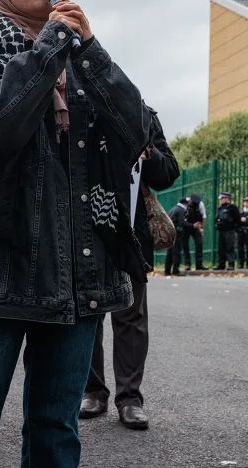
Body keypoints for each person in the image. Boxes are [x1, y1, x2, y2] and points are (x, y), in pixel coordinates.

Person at [0, 0, 151, 466]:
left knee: (56, 430)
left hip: (77, 280)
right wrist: (53, 40)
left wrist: (92, 50)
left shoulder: (85, 61)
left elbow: (137, 132)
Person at [81, 114, 178, 430]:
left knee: (131, 317)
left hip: (130, 233)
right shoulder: (79, 106)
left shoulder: (141, 114)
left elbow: (167, 174)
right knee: (88, 315)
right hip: (85, 229)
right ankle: (93, 392)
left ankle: (130, 399)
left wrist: (149, 151)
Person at [213, 191, 239, 270]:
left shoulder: (232, 207)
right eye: (220, 199)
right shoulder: (220, 208)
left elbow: (238, 219)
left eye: (222, 198)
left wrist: (234, 226)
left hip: (229, 231)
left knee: (229, 248)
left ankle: (231, 264)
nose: (220, 200)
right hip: (221, 231)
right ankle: (221, 265)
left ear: (227, 198)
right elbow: (216, 218)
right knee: (221, 248)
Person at [164, 198, 188, 276]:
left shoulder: (172, 209)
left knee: (170, 252)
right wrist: (191, 225)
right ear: (185, 204)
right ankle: (175, 270)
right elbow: (182, 223)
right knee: (176, 252)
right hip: (177, 234)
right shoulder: (181, 210)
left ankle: (167, 270)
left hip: (169, 233)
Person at [182, 193, 207, 270]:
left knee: (199, 244)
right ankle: (187, 264)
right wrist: (191, 225)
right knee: (185, 245)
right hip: (186, 226)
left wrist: (201, 227)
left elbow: (203, 217)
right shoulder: (184, 203)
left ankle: (199, 265)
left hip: (197, 226)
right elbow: (182, 219)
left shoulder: (200, 204)